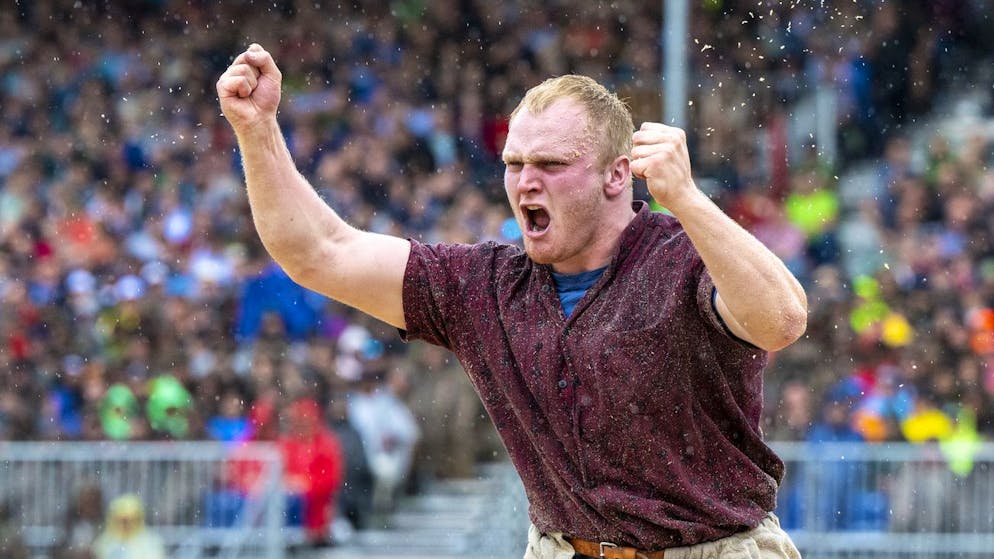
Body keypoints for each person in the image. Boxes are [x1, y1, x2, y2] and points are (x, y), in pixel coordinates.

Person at [217, 43, 808, 559]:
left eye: (550, 164)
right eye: (515, 163)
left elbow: (782, 321)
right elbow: (319, 252)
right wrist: (257, 129)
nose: (526, 181)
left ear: (616, 175)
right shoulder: (484, 283)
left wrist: (688, 200)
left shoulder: (687, 254)